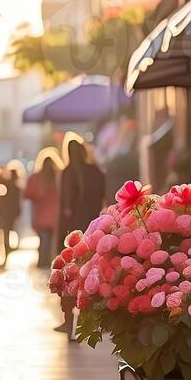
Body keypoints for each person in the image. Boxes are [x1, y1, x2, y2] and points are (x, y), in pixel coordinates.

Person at [56, 137, 106, 333]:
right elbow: (104, 199)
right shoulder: (97, 171)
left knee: (69, 276)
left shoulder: (69, 172)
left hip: (73, 234)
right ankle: (92, 322)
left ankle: (69, 322)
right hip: (94, 230)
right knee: (92, 276)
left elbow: (66, 208)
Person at [24, 148, 61, 268]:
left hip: (40, 216)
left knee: (43, 241)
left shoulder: (36, 177)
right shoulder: (59, 177)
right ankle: (49, 262)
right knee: (50, 242)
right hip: (56, 216)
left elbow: (27, 194)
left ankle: (43, 263)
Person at [0, 160, 24, 260]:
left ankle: (4, 252)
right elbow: (18, 203)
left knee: (2, 233)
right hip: (10, 214)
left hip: (3, 212)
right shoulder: (17, 187)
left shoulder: (6, 184)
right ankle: (7, 251)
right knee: (8, 233)